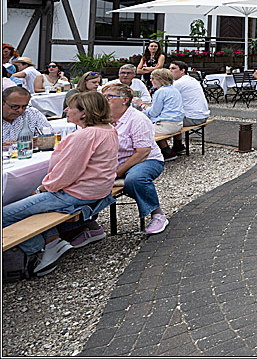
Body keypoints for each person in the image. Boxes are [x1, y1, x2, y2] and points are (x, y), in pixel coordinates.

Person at [2, 91, 118, 276]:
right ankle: (52, 240)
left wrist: (43, 188)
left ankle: (37, 249)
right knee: (29, 202)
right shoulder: (108, 130)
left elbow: (67, 174)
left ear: (84, 113)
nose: (65, 110)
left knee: (5, 214)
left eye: (70, 107)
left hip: (75, 195)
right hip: (95, 190)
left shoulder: (85, 136)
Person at [102, 83, 169, 236]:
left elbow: (142, 152)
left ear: (125, 100)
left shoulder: (137, 119)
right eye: (103, 96)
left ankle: (157, 214)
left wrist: (118, 172)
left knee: (135, 179)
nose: (105, 100)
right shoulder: (104, 119)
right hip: (116, 162)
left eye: (109, 97)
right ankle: (88, 225)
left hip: (146, 160)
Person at [169, 61, 209, 156]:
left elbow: (167, 100)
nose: (170, 71)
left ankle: (165, 150)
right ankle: (178, 145)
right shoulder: (191, 79)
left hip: (193, 118)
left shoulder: (179, 83)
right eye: (169, 68)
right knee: (174, 115)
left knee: (163, 121)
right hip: (202, 115)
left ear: (182, 71)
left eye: (173, 68)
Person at [146, 68, 185, 160]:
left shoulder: (160, 92)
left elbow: (154, 113)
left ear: (160, 80)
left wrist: (143, 106)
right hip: (178, 123)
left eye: (153, 78)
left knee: (142, 131)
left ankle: (166, 151)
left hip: (168, 125)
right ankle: (169, 149)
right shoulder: (173, 89)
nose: (151, 80)